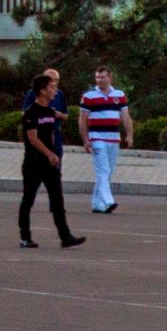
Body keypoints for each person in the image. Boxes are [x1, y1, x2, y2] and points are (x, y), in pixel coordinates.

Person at [18, 72, 84, 249]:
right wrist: (49, 153)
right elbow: (33, 138)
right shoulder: (31, 113)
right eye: (51, 87)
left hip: (50, 164)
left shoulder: (50, 112)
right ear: (42, 90)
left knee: (57, 200)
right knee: (28, 199)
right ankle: (25, 237)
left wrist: (54, 153)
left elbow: (52, 132)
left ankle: (66, 236)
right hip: (33, 163)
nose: (55, 90)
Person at [78, 67, 133, 214]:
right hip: (97, 137)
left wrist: (129, 134)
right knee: (103, 170)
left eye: (102, 77)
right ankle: (108, 201)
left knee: (108, 172)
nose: (100, 80)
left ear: (110, 78)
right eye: (97, 77)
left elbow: (125, 116)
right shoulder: (89, 96)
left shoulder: (119, 95)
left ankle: (97, 204)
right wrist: (86, 140)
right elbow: (83, 119)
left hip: (113, 138)